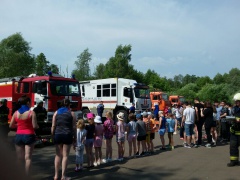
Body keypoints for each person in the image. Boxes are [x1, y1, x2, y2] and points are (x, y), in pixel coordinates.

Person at [9, 95, 39, 175]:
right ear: (28, 102)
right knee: (28, 158)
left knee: (19, 158)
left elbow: (11, 126)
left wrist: (19, 125)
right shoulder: (31, 112)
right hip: (29, 135)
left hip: (19, 136)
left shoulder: (16, 113)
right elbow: (35, 126)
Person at [51, 98, 76, 180]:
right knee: (65, 156)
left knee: (58, 155)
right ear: (69, 105)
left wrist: (52, 136)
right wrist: (75, 138)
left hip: (58, 134)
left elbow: (53, 126)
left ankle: (56, 175)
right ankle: (63, 176)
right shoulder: (71, 113)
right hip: (67, 135)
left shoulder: (56, 113)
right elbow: (74, 127)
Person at [227, 94, 240, 167]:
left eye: (237, 101)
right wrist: (230, 119)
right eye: (235, 101)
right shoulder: (234, 108)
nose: (236, 102)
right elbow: (231, 116)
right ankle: (234, 161)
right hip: (234, 132)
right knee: (233, 147)